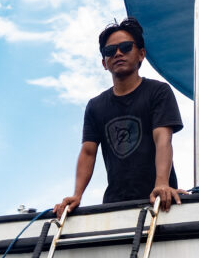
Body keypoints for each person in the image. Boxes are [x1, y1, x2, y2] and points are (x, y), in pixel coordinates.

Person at [55, 17, 183, 216]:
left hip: (160, 201)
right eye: (110, 51)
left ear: (141, 54)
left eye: (125, 47)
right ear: (104, 63)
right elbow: (88, 152)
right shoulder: (95, 106)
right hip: (115, 206)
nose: (118, 53)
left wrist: (162, 184)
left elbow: (162, 139)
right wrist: (77, 195)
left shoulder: (158, 92)